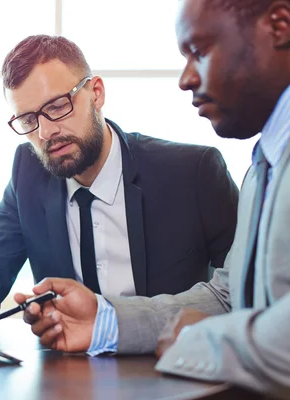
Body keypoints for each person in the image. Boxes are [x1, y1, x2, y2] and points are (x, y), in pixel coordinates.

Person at [0, 35, 239, 348]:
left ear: (96, 93)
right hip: (68, 377)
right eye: (28, 119)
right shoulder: (28, 171)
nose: (45, 133)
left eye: (57, 107)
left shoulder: (193, 172)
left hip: (172, 368)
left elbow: (244, 292)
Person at [18, 1, 290, 397]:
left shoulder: (208, 169)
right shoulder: (262, 166)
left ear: (279, 26)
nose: (185, 79)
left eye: (200, 51)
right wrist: (105, 321)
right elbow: (230, 296)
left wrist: (199, 344)